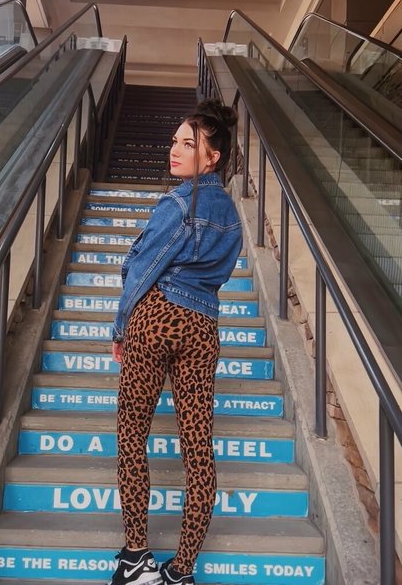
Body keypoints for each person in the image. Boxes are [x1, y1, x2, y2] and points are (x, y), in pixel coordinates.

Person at [108, 98, 242, 585]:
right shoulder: (232, 216)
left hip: (156, 315)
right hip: (202, 326)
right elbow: (218, 274)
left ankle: (135, 558)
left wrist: (121, 326)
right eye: (175, 141)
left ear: (212, 157)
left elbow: (143, 268)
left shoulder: (177, 202)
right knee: (198, 448)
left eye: (189, 144)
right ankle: (182, 570)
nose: (175, 150)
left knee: (131, 435)